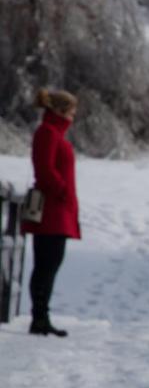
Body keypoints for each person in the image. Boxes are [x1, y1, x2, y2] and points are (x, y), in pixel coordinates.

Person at [21, 88, 81, 337]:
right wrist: (62, 191)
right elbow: (44, 169)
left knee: (50, 265)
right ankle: (39, 318)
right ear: (61, 110)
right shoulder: (47, 133)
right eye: (72, 111)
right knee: (46, 265)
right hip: (51, 211)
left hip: (59, 211)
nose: (73, 117)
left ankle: (42, 317)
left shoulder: (55, 134)